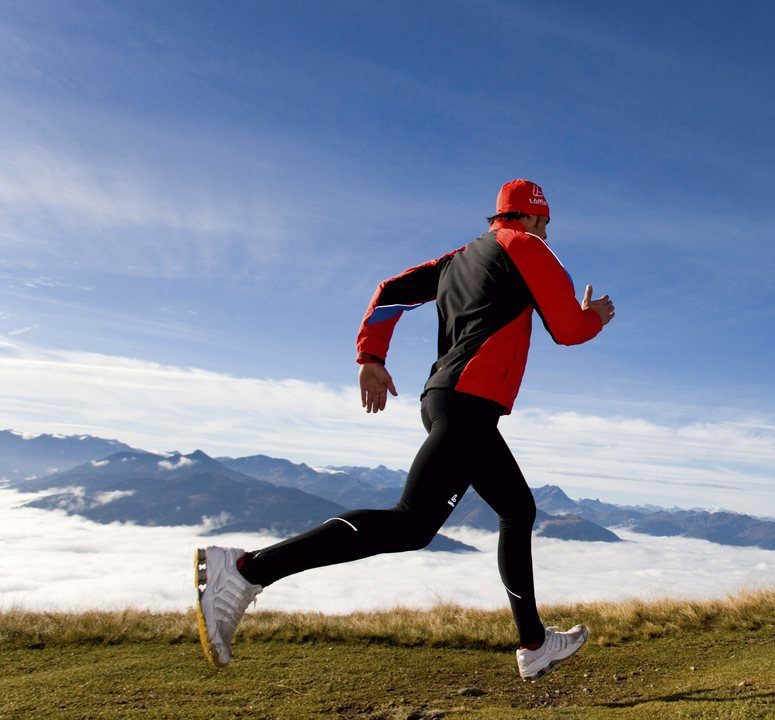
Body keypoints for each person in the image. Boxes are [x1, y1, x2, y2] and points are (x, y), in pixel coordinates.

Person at [195, 179, 615, 681]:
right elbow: (567, 330)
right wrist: (595, 317)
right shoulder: (528, 247)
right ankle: (244, 571)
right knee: (410, 524)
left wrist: (371, 356)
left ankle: (534, 643)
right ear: (533, 217)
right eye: (545, 223)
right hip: (468, 404)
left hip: (448, 401)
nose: (547, 233)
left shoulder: (457, 260)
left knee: (516, 509)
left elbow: (390, 291)